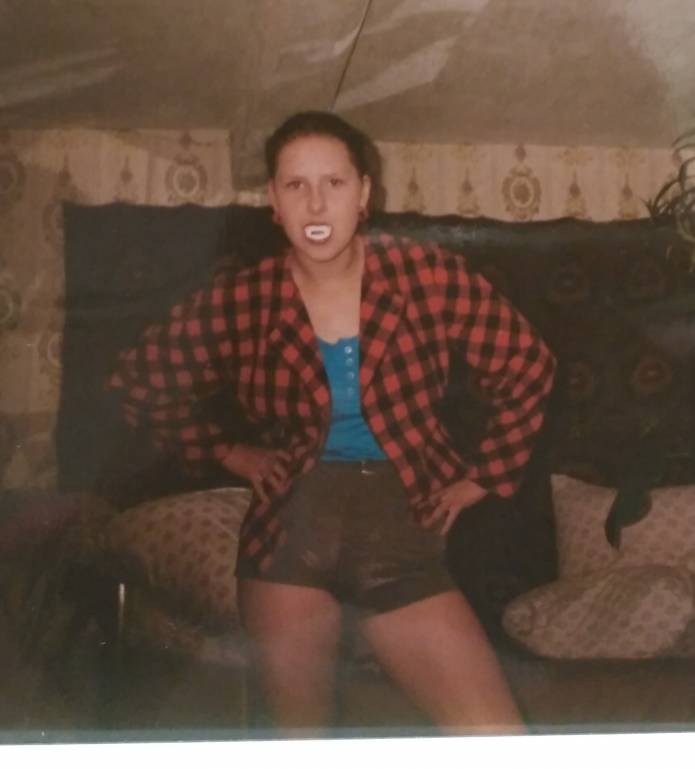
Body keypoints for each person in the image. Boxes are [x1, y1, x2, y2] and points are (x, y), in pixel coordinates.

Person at [109, 111, 556, 736]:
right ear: (273, 200)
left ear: (364, 193)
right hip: (289, 543)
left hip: (400, 536)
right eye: (296, 185)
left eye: (335, 183)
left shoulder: (427, 275)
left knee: (499, 742)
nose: (316, 204)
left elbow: (528, 366)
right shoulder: (243, 297)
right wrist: (230, 453)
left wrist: (483, 477)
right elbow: (139, 382)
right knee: (300, 748)